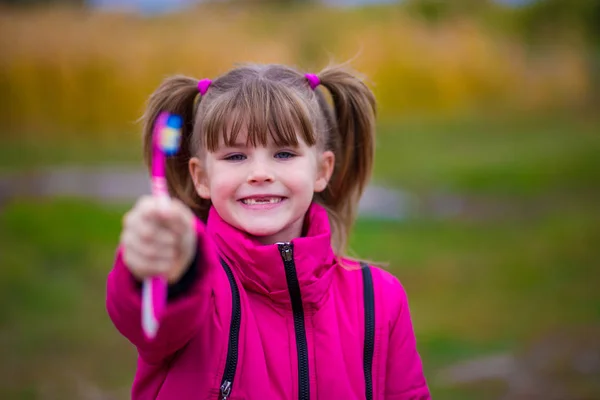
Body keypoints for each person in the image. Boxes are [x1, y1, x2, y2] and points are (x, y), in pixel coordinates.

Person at [106, 64, 430, 399]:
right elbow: (149, 320)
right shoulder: (195, 287)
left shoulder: (379, 298)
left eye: (284, 153)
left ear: (322, 169)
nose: (260, 173)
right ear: (201, 177)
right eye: (235, 156)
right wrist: (158, 266)